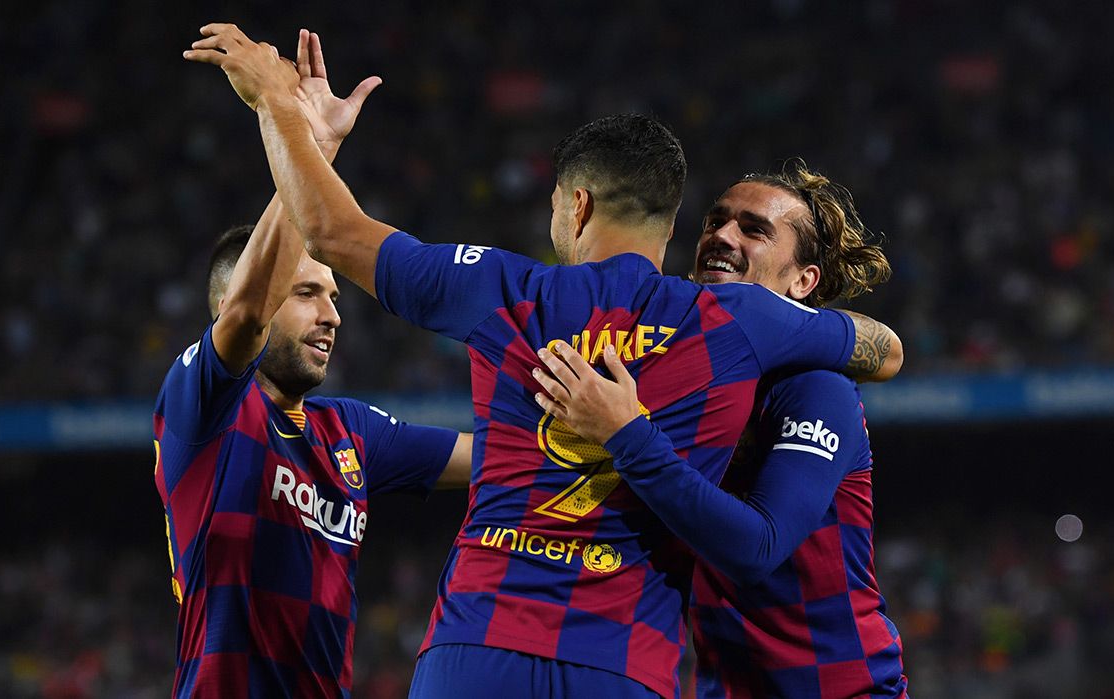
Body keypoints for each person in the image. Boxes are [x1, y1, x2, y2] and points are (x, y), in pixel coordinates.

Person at [183, 23, 903, 698]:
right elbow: (885, 348)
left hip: (471, 651)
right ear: (674, 223)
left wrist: (279, 104)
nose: (725, 239)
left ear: (576, 207)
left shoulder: (502, 288)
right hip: (619, 664)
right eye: (716, 221)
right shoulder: (737, 323)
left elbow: (332, 229)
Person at [155, 30, 471, 698]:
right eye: (306, 293)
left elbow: (494, 457)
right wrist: (300, 129)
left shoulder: (349, 432)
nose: (332, 312)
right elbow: (245, 316)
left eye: (333, 294)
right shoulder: (203, 406)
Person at [533, 164, 909, 697]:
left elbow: (757, 547)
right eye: (716, 221)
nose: (721, 237)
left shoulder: (815, 388)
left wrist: (628, 434)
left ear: (802, 282)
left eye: (754, 229)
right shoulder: (680, 371)